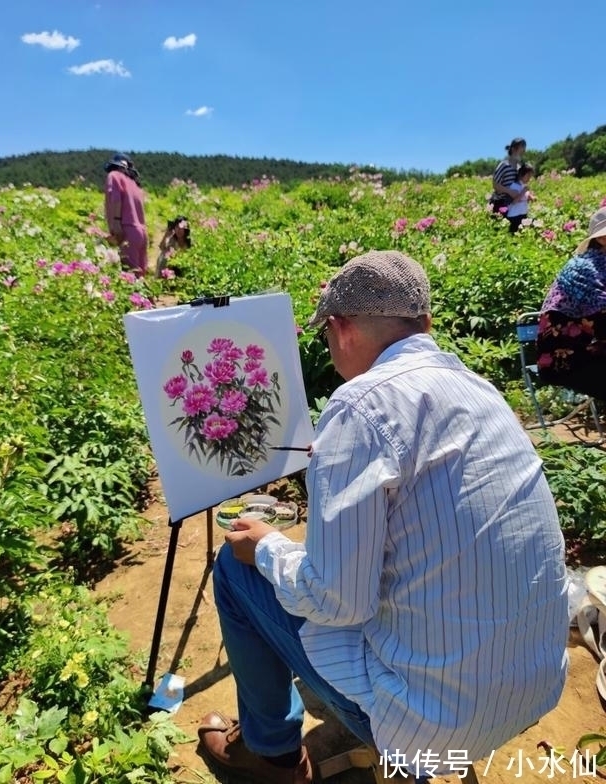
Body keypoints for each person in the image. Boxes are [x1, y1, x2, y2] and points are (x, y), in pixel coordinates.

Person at [197, 250, 568, 784]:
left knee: (236, 569)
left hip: (433, 724)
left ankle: (273, 754)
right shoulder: (479, 390)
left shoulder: (360, 405)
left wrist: (265, 547)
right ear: (427, 323)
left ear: (342, 329)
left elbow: (337, 600)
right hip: (531, 687)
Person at [536, 207, 606, 400]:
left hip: (592, 353)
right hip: (564, 360)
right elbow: (601, 322)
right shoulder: (584, 268)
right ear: (601, 239)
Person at [103, 152, 149, 276]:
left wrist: (116, 222)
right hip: (141, 232)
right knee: (140, 274)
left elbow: (116, 199)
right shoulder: (135, 184)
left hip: (126, 229)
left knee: (129, 275)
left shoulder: (114, 176)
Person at [489, 137, 527, 214]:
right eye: (521, 148)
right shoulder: (504, 165)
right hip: (500, 203)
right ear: (513, 149)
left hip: (513, 206)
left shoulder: (519, 167)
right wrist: (510, 191)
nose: (524, 150)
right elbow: (495, 185)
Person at [505, 162, 535, 234]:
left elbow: (524, 199)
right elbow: (513, 201)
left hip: (523, 215)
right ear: (521, 174)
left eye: (530, 176)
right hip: (514, 216)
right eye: (528, 176)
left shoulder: (523, 186)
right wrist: (523, 192)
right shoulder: (513, 186)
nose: (529, 178)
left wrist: (531, 198)